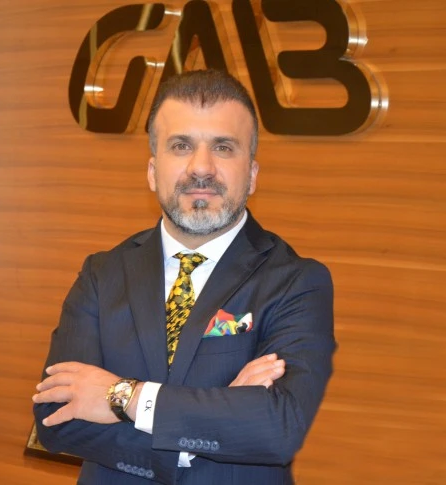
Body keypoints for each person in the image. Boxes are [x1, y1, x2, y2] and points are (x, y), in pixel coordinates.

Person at [32, 69, 335, 485]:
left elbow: (277, 429)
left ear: (252, 174)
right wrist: (216, 423)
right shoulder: (102, 274)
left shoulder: (297, 282)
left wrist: (122, 395)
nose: (201, 168)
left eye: (223, 147)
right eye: (181, 146)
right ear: (152, 171)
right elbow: (55, 418)